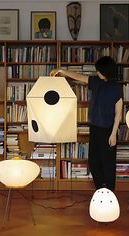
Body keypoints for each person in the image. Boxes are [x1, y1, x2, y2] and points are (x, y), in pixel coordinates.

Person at [50, 56, 123, 191]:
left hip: (108, 130)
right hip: (95, 128)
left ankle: (110, 193)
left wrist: (113, 134)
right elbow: (78, 76)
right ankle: (100, 189)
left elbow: (118, 113)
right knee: (93, 162)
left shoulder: (116, 88)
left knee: (108, 164)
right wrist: (62, 71)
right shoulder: (95, 82)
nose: (97, 72)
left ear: (106, 71)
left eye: (99, 70)